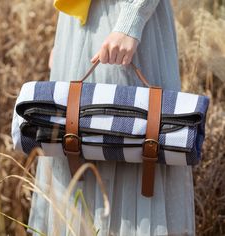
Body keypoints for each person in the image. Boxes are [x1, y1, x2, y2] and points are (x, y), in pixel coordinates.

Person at [28, 0, 195, 235]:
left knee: (131, 143)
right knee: (77, 144)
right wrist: (66, 38)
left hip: (122, 17)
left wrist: (131, 19)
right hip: (80, 24)